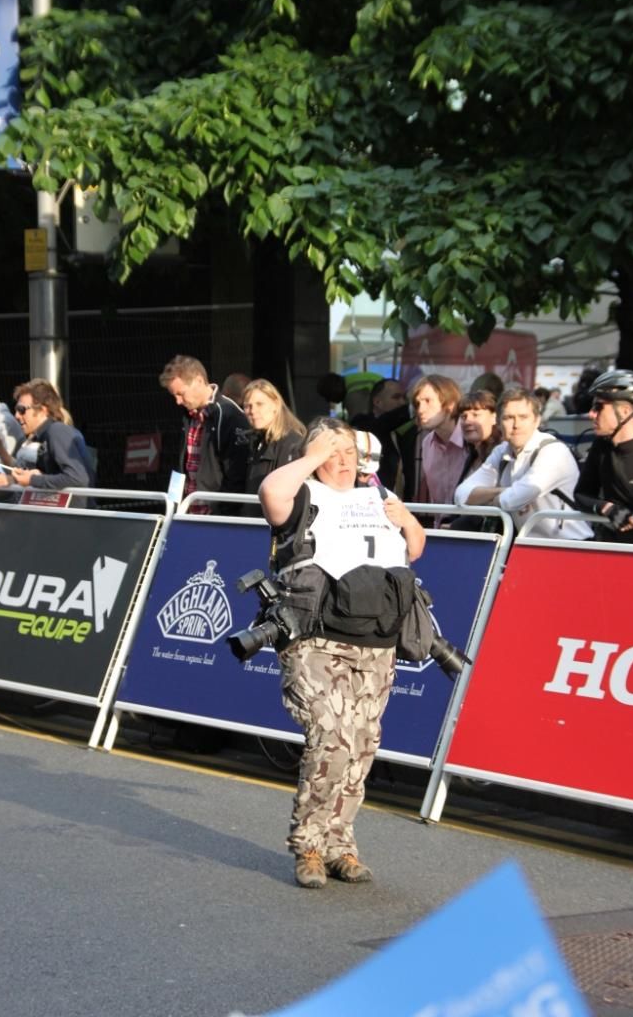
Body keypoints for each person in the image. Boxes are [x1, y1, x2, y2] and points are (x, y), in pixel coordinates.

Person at [258, 417, 425, 888]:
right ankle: (309, 844)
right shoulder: (304, 493)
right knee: (330, 735)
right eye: (333, 449)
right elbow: (271, 496)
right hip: (316, 636)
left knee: (362, 744)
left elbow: (415, 547)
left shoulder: (378, 494)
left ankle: (340, 844)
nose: (344, 457)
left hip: (376, 640)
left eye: (349, 448)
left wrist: (408, 520)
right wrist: (312, 456)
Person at [454, 388, 592, 540]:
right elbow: (461, 495)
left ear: (537, 421)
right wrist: (502, 491)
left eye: (523, 417)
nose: (516, 424)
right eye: (508, 417)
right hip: (530, 548)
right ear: (499, 423)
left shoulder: (553, 451)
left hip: (573, 546)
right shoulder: (501, 452)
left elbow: (513, 499)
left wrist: (488, 497)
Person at [573, 369, 633, 545]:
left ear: (625, 411)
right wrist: (606, 507)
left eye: (598, 407)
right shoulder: (601, 447)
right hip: (609, 550)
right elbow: (581, 495)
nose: (591, 414)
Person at [159, 355, 250, 513]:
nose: (178, 401)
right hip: (187, 513)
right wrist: (173, 508)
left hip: (214, 518)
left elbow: (236, 475)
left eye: (181, 393)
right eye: (174, 395)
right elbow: (181, 467)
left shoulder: (228, 415)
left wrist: (221, 515)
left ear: (199, 381)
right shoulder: (188, 416)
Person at [0, 379, 94, 493]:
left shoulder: (57, 431)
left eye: (21, 410)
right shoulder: (41, 436)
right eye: (16, 410)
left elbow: (77, 478)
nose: (17, 416)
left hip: (70, 510)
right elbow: (31, 474)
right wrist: (0, 450)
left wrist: (31, 479)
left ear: (43, 410)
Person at [411, 375, 467, 519]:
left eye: (428, 401)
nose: (420, 409)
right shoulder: (427, 443)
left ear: (451, 404)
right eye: (418, 404)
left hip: (475, 533)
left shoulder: (471, 439)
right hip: (442, 531)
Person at [242, 378, 305, 495]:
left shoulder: (291, 443)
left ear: (276, 405)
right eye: (247, 406)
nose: (253, 410)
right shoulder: (256, 441)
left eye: (259, 404)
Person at [351, 378, 414, 494]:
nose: (402, 402)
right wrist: (413, 409)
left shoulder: (401, 432)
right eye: (396, 397)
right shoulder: (363, 424)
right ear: (377, 402)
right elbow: (382, 424)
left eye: (404, 398)